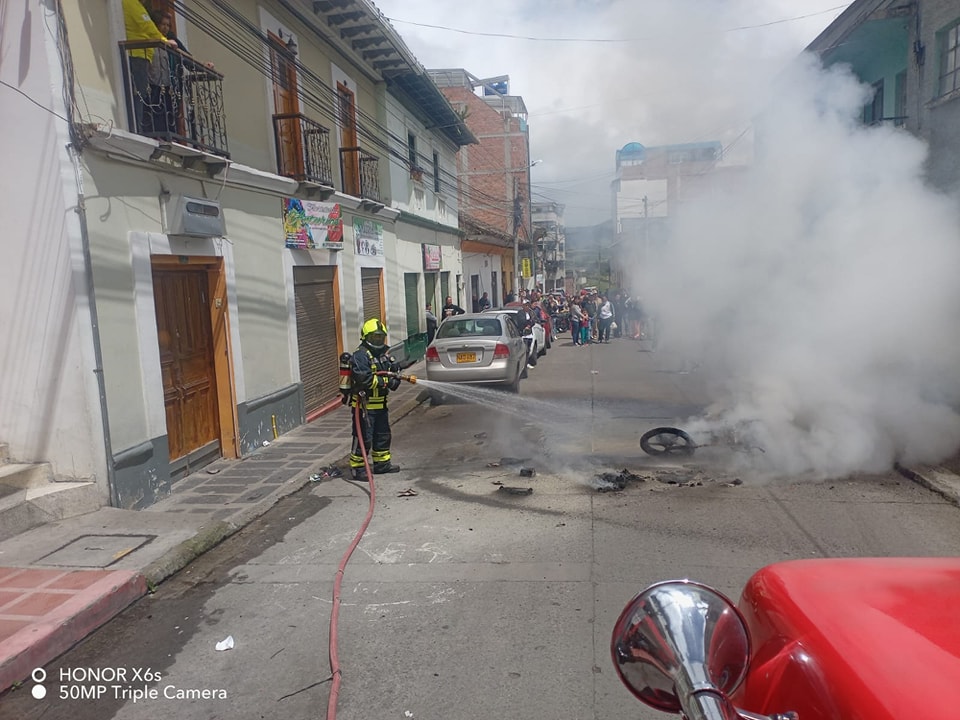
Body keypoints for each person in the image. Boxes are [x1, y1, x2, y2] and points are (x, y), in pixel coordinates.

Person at [347, 318, 402, 481]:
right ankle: (358, 469)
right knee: (363, 438)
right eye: (374, 337)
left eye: (380, 337)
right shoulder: (360, 356)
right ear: (366, 337)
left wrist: (396, 375)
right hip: (364, 407)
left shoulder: (384, 355)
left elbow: (392, 373)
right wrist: (386, 381)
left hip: (381, 406)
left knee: (383, 435)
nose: (378, 340)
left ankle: (382, 465)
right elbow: (364, 379)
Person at [122, 0, 178, 133]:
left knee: (140, 93)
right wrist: (164, 40)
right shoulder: (131, 3)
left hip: (141, 56)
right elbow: (146, 25)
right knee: (139, 94)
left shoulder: (135, 5)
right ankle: (138, 129)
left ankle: (139, 128)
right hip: (137, 55)